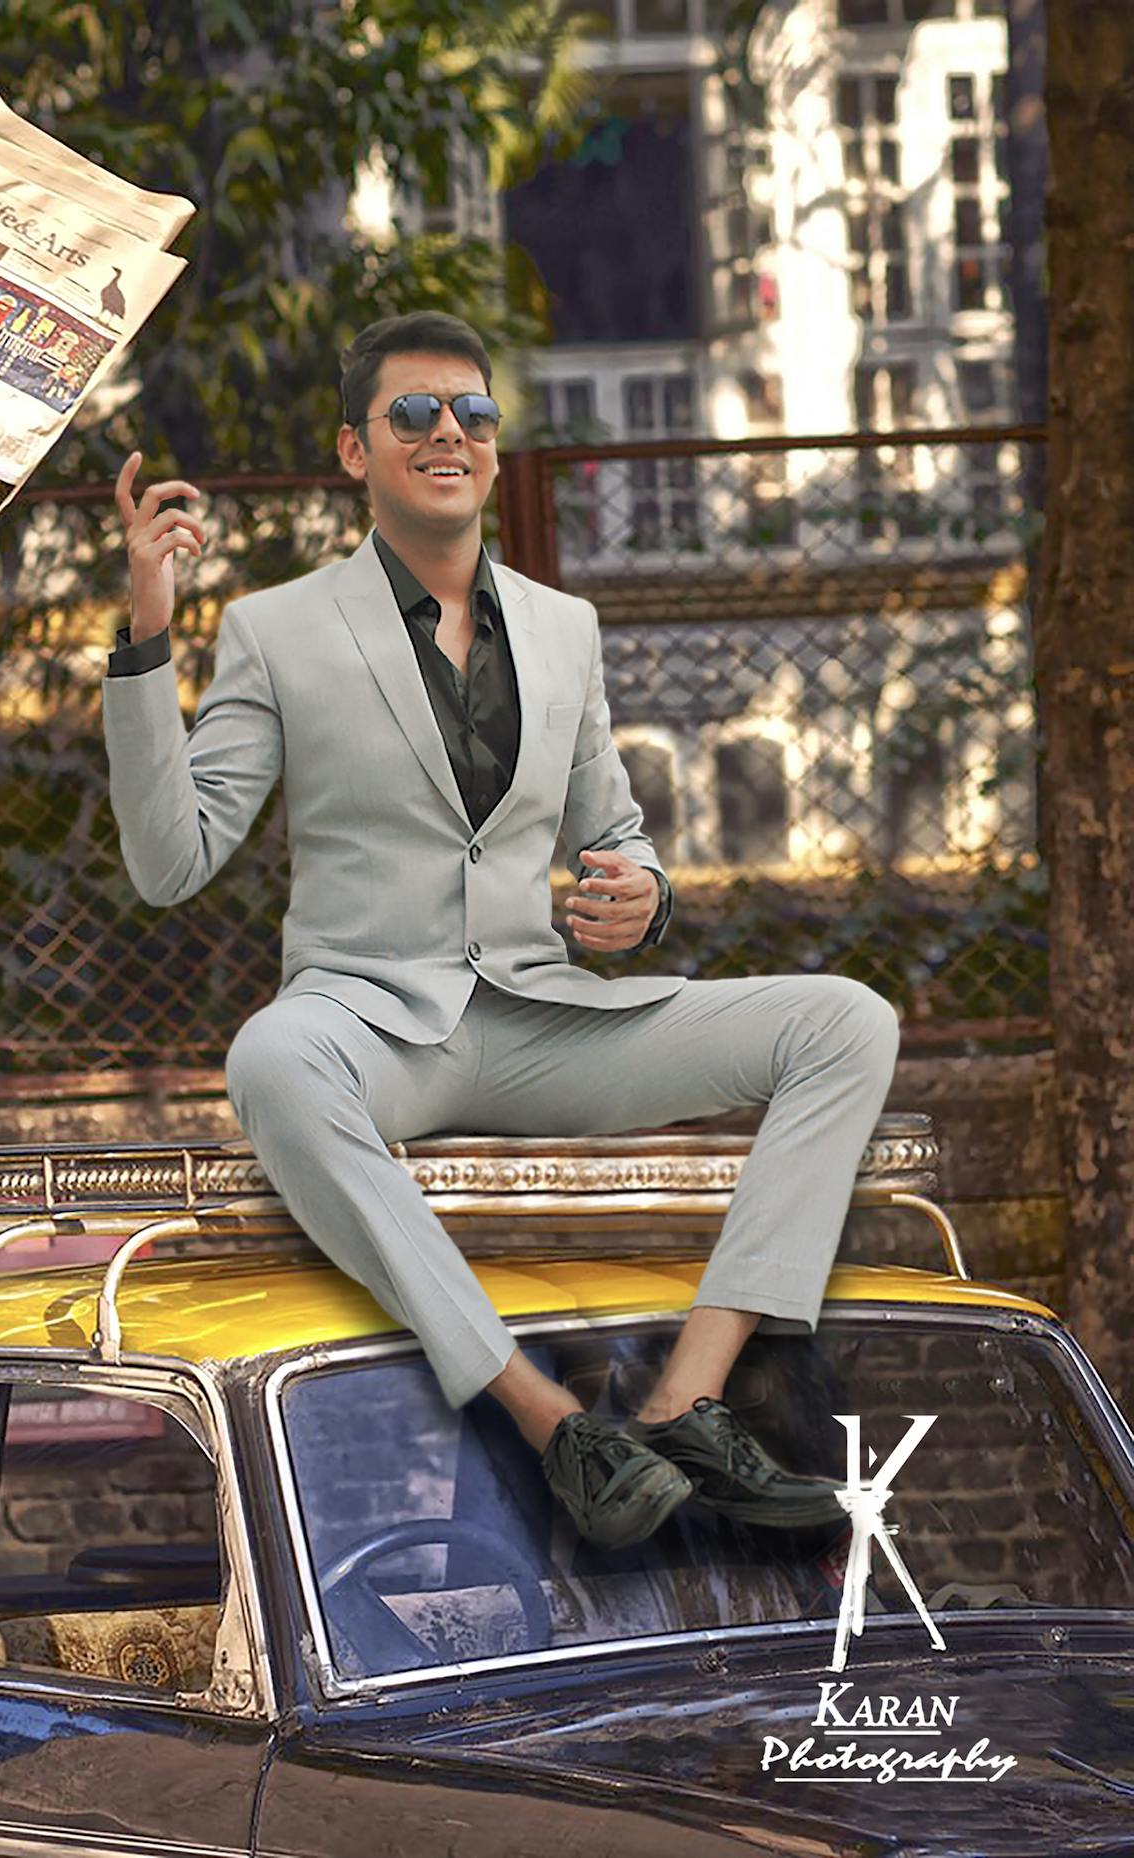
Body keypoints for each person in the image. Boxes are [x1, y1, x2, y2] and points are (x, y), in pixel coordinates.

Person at [101, 310, 900, 1551]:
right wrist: (146, 636)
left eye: (470, 413)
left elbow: (615, 829)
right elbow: (170, 861)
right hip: (373, 1026)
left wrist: (636, 893)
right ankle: (556, 1427)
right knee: (269, 1057)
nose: (447, 434)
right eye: (412, 414)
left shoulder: (564, 628)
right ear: (353, 452)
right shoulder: (276, 628)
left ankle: (688, 1404)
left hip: (540, 1018)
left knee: (845, 1020)